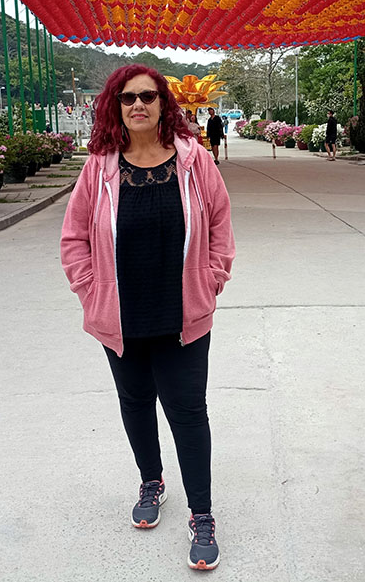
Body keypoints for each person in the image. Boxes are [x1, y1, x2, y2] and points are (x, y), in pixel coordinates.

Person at [60, 64, 235, 571]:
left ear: (163, 104)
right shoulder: (99, 168)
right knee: (135, 402)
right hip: (121, 313)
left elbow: (220, 225)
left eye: (148, 96)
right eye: (128, 97)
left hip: (183, 313)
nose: (138, 104)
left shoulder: (196, 162)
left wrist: (212, 277)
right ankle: (151, 481)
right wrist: (90, 289)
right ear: (115, 107)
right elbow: (74, 237)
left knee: (188, 412)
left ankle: (202, 514)